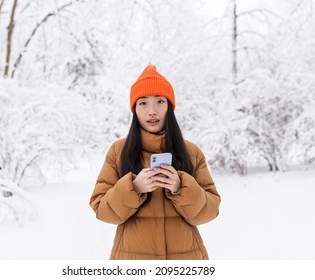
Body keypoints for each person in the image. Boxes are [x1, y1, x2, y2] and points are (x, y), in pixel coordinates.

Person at [89, 64, 220, 260]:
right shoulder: (119, 152)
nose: (152, 111)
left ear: (169, 106)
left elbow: (210, 211)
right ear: (134, 108)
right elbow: (102, 209)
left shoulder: (191, 152)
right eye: (143, 103)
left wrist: (180, 186)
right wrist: (133, 187)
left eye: (159, 101)